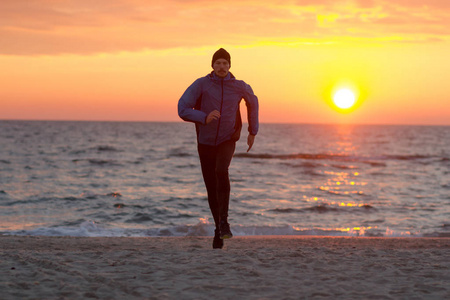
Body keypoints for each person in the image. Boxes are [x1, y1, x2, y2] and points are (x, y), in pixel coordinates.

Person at [178, 48, 259, 249]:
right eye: (218, 63)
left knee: (221, 171)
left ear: (230, 65)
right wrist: (203, 117)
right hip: (205, 142)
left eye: (225, 63)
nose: (222, 67)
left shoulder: (239, 86)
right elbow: (182, 107)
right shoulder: (202, 84)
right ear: (212, 66)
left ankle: (224, 223)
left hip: (227, 139)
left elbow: (253, 102)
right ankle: (218, 229)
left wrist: (252, 131)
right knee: (211, 188)